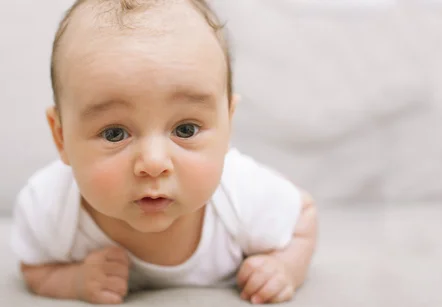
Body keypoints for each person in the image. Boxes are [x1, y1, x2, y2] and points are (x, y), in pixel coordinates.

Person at [10, 0, 318, 304]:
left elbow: (304, 215)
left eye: (185, 130)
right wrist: (74, 282)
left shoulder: (243, 195)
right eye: (114, 133)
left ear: (228, 124)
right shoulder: (50, 208)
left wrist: (285, 266)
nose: (154, 163)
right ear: (61, 137)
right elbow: (34, 267)